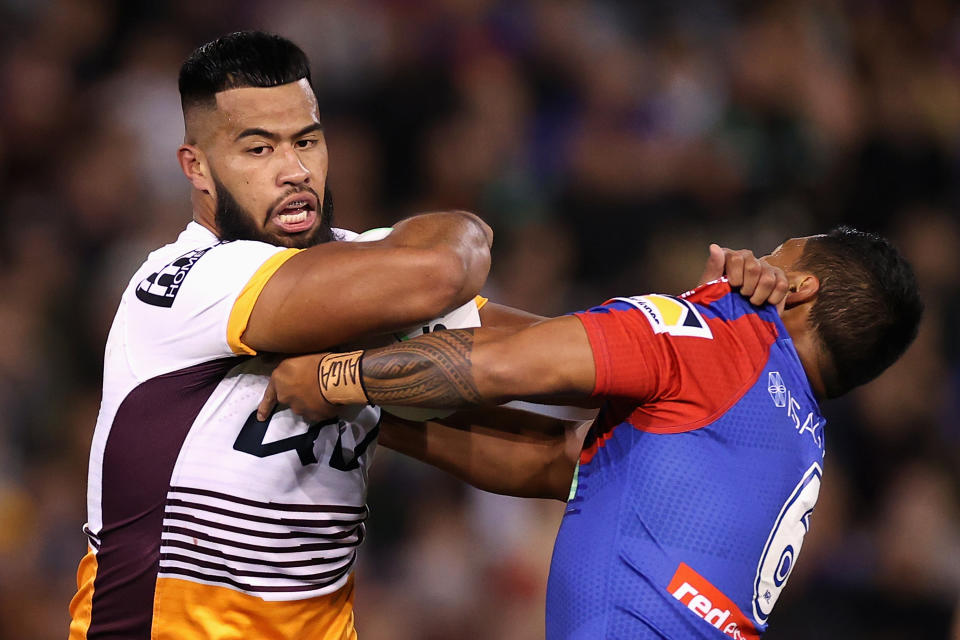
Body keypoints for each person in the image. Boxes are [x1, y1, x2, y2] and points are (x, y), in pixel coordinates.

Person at [259, 227, 923, 639]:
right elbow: (559, 464)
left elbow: (503, 369)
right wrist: (369, 414)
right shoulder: (796, 443)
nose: (758, 264)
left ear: (799, 287)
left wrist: (328, 378)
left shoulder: (726, 337)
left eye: (779, 253)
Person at [66, 31, 497, 640]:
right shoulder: (185, 282)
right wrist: (462, 229)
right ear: (197, 168)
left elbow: (530, 365)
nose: (294, 171)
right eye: (258, 149)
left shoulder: (358, 269)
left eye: (307, 142)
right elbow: (447, 267)